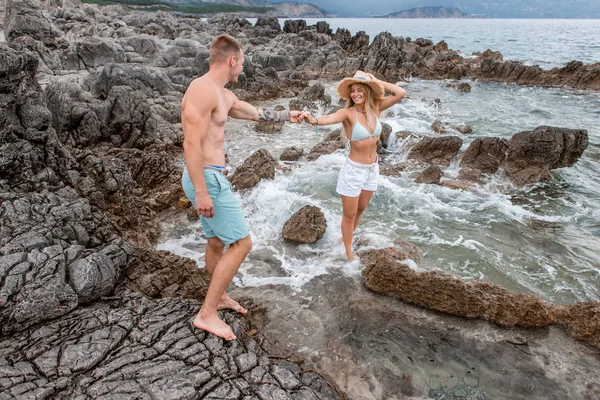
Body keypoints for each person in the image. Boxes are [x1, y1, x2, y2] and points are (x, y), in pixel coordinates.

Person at [181, 34, 302, 341]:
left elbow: (257, 113)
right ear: (232, 59)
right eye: (243, 61)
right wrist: (203, 192)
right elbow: (191, 143)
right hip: (206, 178)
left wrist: (290, 115)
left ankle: (218, 298)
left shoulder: (224, 96)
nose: (243, 67)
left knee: (216, 243)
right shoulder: (201, 90)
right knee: (242, 243)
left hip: (212, 176)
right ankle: (206, 314)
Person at [301, 70, 406, 261]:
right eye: (353, 91)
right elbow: (327, 119)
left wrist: (377, 81)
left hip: (372, 169)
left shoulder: (376, 107)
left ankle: (345, 238)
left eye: (360, 90)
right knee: (349, 215)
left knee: (361, 209)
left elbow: (400, 93)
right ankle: (348, 252)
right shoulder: (348, 113)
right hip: (354, 170)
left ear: (367, 90)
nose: (356, 94)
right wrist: (312, 119)